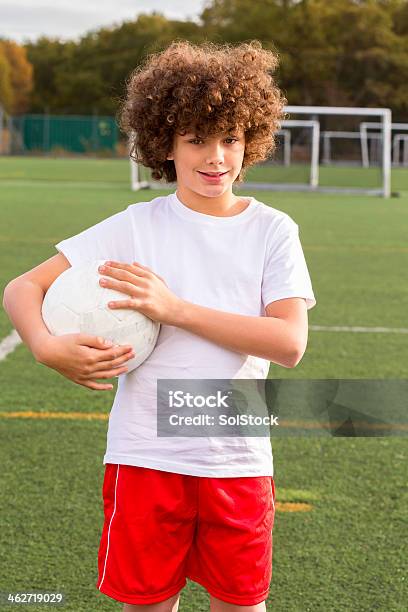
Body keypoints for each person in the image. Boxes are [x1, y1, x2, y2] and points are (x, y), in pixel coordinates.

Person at [2, 40, 316, 612]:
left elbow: (290, 342)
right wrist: (46, 347)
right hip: (145, 456)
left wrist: (172, 309)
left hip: (236, 462)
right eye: (196, 139)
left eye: (231, 139)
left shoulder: (272, 231)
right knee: (145, 604)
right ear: (164, 144)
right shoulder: (136, 225)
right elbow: (23, 286)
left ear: (253, 140)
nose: (216, 155)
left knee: (240, 605)